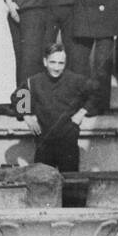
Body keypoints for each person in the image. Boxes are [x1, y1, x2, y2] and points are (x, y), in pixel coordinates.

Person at [21, 44, 96, 173]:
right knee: (42, 182)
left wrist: (81, 112)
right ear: (45, 62)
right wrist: (27, 116)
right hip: (44, 143)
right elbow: (18, 96)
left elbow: (96, 93)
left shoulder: (75, 80)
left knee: (70, 184)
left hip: (68, 143)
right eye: (53, 62)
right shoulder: (34, 81)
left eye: (61, 63)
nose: (56, 67)